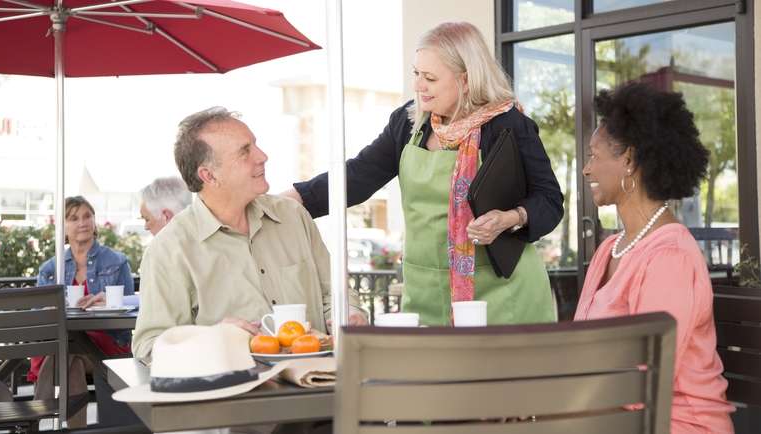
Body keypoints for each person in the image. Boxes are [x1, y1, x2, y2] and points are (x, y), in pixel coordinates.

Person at [286, 22, 563, 326]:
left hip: (501, 293)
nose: (419, 86)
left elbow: (549, 200)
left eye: (430, 78)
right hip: (425, 293)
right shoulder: (408, 123)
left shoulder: (508, 125)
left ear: (466, 80)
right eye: (416, 74)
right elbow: (360, 174)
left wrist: (511, 218)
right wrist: (293, 200)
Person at [132, 107, 367, 363]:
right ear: (208, 175)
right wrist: (213, 339)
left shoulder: (293, 216)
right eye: (245, 151)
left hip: (317, 384)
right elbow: (148, 347)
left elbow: (334, 293)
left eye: (255, 145)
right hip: (233, 396)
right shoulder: (170, 250)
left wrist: (350, 313)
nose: (262, 156)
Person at [575, 82, 734, 433]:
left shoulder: (670, 257)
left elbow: (644, 383)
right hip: (614, 417)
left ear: (628, 160)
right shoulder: (609, 249)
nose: (587, 170)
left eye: (594, 156)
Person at [35, 195, 135, 427]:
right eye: (73, 218)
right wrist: (48, 308)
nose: (82, 222)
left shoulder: (117, 262)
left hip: (107, 345)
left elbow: (128, 309)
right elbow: (38, 314)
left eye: (87, 216)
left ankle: (36, 417)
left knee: (68, 351)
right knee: (72, 358)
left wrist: (106, 303)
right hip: (68, 348)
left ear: (94, 221)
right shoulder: (51, 269)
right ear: (63, 227)